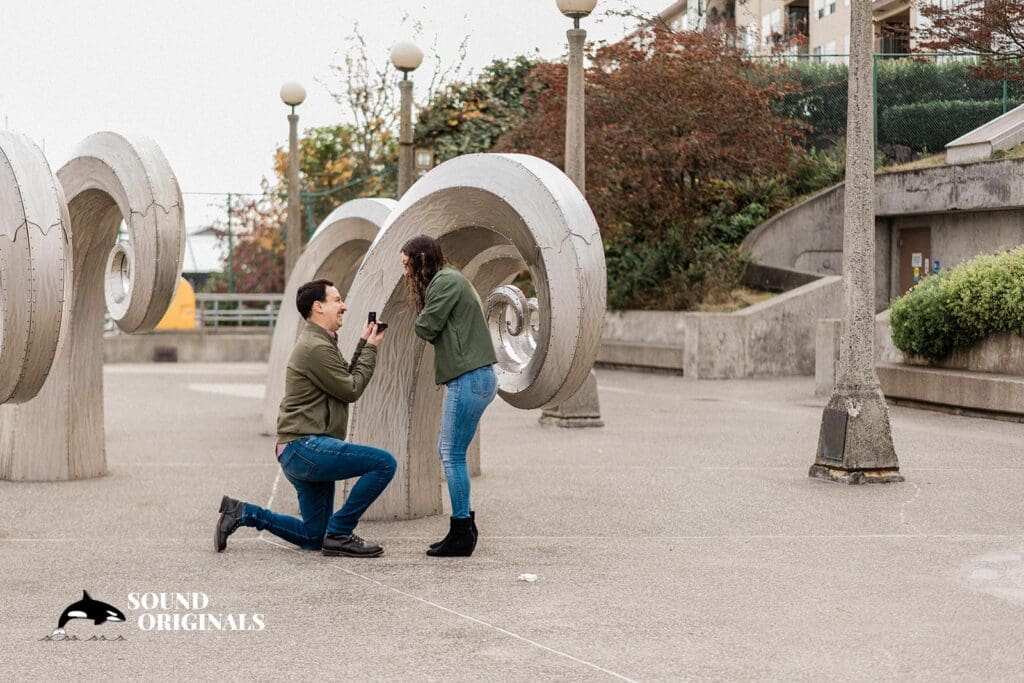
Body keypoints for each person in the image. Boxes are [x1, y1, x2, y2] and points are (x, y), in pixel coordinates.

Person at [215, 279, 395, 558]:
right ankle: (341, 532)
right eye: (337, 300)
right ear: (318, 307)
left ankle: (242, 512)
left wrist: (363, 343)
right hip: (305, 447)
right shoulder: (315, 346)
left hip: (299, 449)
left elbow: (342, 378)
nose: (344, 306)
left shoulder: (320, 342)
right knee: (384, 463)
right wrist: (371, 350)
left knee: (312, 537)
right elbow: (350, 389)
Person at [401, 235, 499, 557]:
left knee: (451, 454)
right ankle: (464, 528)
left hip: (467, 379)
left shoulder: (444, 282)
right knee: (451, 452)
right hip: (477, 378)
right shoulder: (452, 277)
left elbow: (425, 327)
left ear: (422, 260)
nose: (406, 273)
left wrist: (425, 317)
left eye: (407, 264)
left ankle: (461, 533)